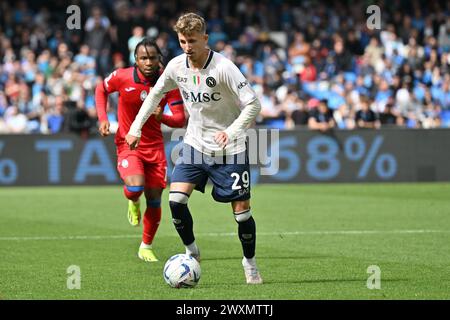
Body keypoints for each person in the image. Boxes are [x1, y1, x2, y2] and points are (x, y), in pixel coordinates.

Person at [125, 13, 263, 284]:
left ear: (205, 39)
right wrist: (135, 128)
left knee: (242, 214)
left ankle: (250, 262)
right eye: (182, 41)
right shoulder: (177, 66)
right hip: (194, 145)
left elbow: (253, 104)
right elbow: (155, 95)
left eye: (192, 41)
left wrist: (232, 131)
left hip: (230, 149)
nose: (187, 47)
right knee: (175, 201)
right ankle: (192, 251)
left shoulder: (224, 67)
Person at [95, 39, 186, 262]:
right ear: (135, 60)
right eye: (143, 58)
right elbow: (101, 89)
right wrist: (103, 118)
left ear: (159, 59)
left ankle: (146, 246)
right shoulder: (122, 76)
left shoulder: (169, 82)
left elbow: (179, 119)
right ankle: (133, 201)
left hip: (155, 148)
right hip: (129, 143)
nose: (148, 62)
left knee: (155, 199)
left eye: (152, 58)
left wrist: (160, 116)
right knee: (136, 187)